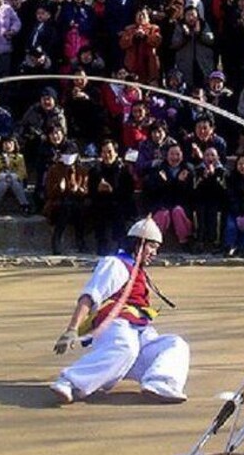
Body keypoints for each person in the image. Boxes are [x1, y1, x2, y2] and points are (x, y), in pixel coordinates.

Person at [50, 216, 189, 404]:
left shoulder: (136, 269)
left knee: (175, 344)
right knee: (126, 348)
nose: (155, 253)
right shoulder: (115, 264)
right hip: (115, 327)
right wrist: (72, 329)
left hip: (139, 332)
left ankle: (159, 383)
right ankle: (70, 382)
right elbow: (90, 295)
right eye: (152, 246)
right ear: (138, 244)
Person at [87, 139, 135, 255]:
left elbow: (128, 192)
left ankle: (122, 246)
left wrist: (112, 191)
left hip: (119, 202)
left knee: (120, 211)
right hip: (101, 203)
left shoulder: (123, 171)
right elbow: (90, 192)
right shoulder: (95, 171)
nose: (107, 155)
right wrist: (98, 190)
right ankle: (101, 245)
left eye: (109, 152)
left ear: (116, 153)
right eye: (103, 152)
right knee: (97, 210)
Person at [43, 146, 88, 254]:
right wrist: (59, 188)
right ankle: (56, 241)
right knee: (65, 207)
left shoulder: (82, 170)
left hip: (77, 201)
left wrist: (78, 189)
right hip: (58, 203)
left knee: (78, 208)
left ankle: (80, 241)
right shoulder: (54, 170)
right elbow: (49, 192)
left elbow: (86, 191)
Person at [224, 154, 244, 256]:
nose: (243, 166)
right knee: (231, 227)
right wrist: (238, 215)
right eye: (240, 164)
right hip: (234, 212)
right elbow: (231, 198)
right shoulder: (231, 179)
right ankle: (230, 247)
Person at [0, 136, 30, 214]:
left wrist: (13, 176)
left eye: (10, 143)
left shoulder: (20, 157)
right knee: (4, 184)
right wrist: (4, 176)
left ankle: (24, 204)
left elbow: (22, 171)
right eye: (5, 143)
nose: (8, 145)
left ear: (14, 145)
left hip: (15, 180)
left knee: (16, 184)